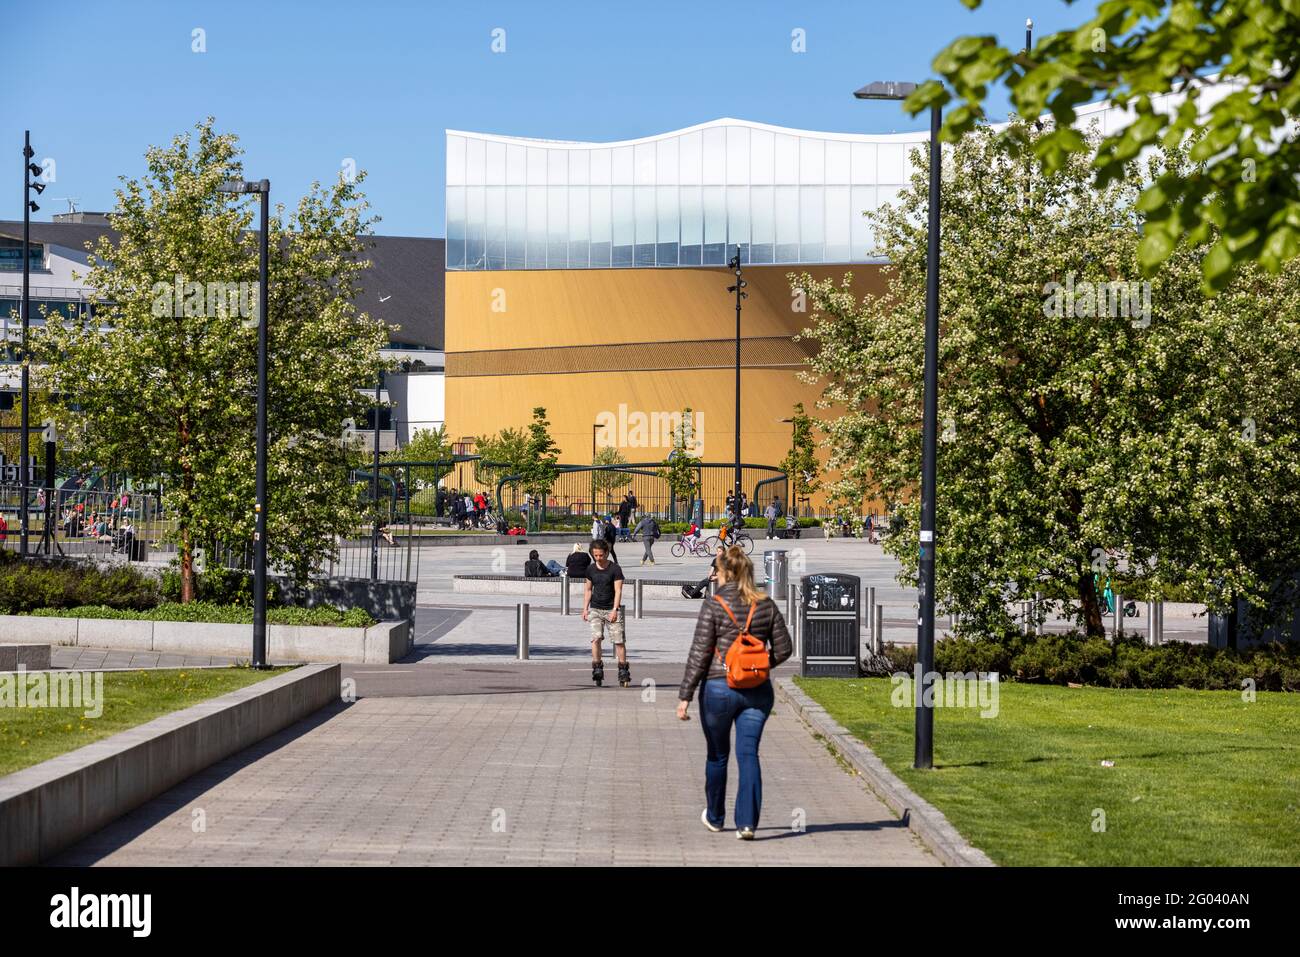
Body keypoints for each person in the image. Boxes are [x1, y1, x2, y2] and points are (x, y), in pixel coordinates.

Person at [677, 546, 793, 839]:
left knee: (717, 756)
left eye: (717, 571)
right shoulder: (765, 604)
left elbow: (700, 653)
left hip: (718, 688)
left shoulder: (715, 604)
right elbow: (785, 648)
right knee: (749, 754)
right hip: (757, 690)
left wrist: (685, 696)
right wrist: (759, 664)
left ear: (726, 573)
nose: (714, 576)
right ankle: (747, 824)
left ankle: (716, 817)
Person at [582, 540, 629, 687]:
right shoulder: (590, 569)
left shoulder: (615, 569)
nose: (598, 558)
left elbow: (618, 590)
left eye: (601, 555)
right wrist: (585, 608)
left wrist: (615, 610)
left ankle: (623, 670)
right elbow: (588, 590)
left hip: (611, 609)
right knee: (595, 638)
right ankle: (597, 667)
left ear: (606, 553)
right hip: (596, 608)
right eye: (595, 555)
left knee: (619, 641)